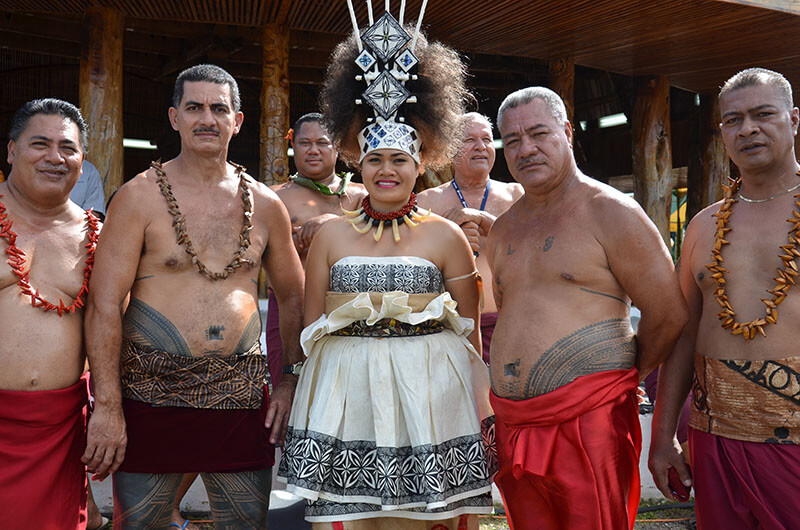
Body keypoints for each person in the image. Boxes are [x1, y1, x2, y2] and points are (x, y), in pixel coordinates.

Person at [278, 8, 496, 529]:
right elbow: (312, 332)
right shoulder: (330, 234)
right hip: (345, 388)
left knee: (428, 517)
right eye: (376, 160)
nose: (387, 170)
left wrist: (481, 411)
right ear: (360, 164)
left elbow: (470, 337)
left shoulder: (444, 235)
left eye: (400, 160)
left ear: (420, 165)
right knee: (355, 518)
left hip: (431, 392)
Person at [83, 64, 305, 528]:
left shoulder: (265, 204)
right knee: (142, 523)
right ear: (174, 117)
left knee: (245, 522)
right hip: (151, 389)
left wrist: (289, 378)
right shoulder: (137, 198)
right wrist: (107, 404)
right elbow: (105, 305)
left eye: (218, 108)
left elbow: (295, 296)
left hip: (240, 393)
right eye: (194, 107)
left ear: (237, 120)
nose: (207, 118)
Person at [486, 86, 687, 530]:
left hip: (590, 417)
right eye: (513, 140)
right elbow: (516, 312)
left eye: (539, 133)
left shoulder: (611, 212)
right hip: (514, 421)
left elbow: (669, 312)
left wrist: (621, 374)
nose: (526, 148)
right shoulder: (502, 229)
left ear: (567, 132)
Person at [649, 67, 800, 529]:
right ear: (722, 133)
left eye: (763, 114)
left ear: (794, 120)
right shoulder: (703, 226)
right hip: (715, 440)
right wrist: (662, 437)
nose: (748, 128)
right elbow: (681, 334)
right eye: (733, 120)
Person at [0, 98, 100, 528]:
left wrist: (109, 412)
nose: (55, 157)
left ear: (82, 161)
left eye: (68, 148)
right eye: (40, 144)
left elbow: (110, 332)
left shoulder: (97, 236)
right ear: (11, 150)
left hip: (58, 433)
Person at [267, 113, 366, 385]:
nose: (313, 150)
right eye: (304, 143)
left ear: (337, 146)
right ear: (292, 144)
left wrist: (332, 223)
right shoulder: (273, 197)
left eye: (322, 143)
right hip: (290, 307)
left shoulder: (361, 196)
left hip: (347, 307)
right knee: (289, 392)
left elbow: (378, 242)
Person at [417, 112, 523, 364]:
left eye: (487, 139)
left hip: (510, 322)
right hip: (448, 324)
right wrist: (449, 236)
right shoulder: (427, 201)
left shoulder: (515, 194)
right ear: (451, 149)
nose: (480, 147)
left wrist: (489, 223)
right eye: (470, 140)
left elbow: (537, 252)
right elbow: (415, 265)